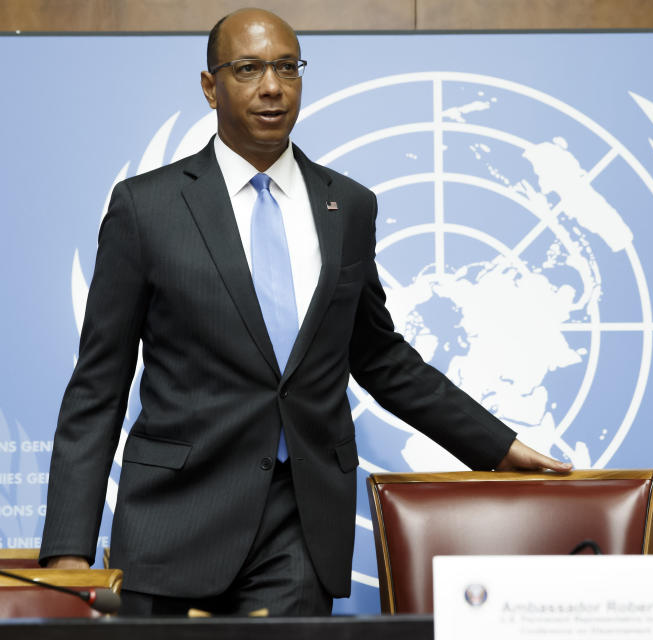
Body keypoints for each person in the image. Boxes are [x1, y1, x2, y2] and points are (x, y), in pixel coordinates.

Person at [39, 8, 570, 616]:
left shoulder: (349, 206)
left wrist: (496, 447)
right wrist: (67, 551)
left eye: (287, 68)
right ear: (210, 86)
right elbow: (98, 385)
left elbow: (380, 357)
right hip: (173, 523)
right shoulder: (146, 209)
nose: (272, 86)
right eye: (248, 69)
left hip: (300, 524)